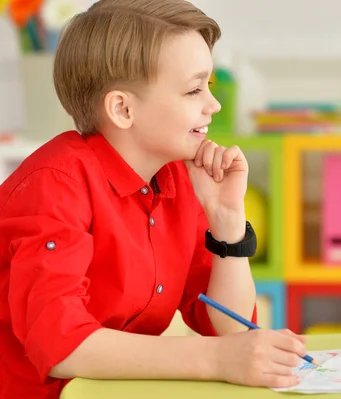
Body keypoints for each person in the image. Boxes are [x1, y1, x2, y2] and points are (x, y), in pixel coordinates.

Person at [0, 1, 307, 397]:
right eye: (194, 89)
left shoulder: (177, 177)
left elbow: (228, 325)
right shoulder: (55, 185)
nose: (213, 105)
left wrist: (226, 220)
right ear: (123, 108)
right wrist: (216, 359)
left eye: (208, 87)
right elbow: (61, 344)